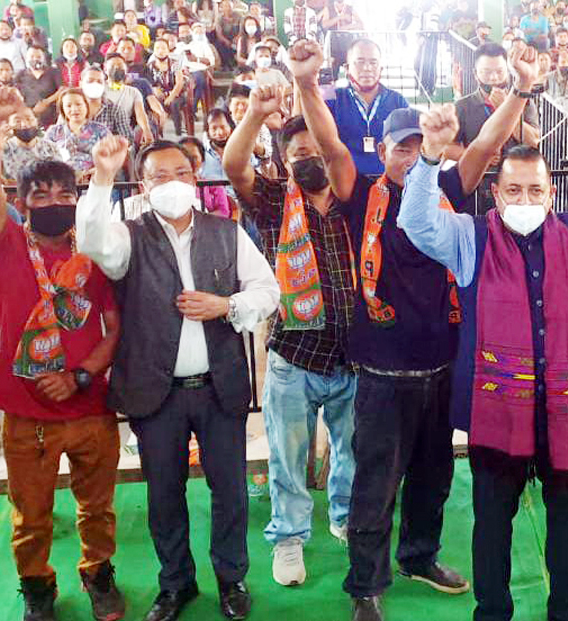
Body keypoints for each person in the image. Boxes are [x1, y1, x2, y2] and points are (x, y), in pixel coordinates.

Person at [288, 38, 540, 621]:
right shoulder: (358, 194)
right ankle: (366, 587)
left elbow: (489, 142)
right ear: (382, 150)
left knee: (433, 475)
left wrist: (522, 89)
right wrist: (305, 83)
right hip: (382, 372)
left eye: (420, 146)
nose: (410, 156)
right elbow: (327, 143)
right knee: (375, 483)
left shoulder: (449, 190)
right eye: (401, 147)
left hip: (442, 365)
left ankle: (419, 556)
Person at [396, 111, 568, 621]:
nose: (526, 200)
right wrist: (430, 156)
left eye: (535, 190)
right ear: (497, 196)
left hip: (567, 408)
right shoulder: (468, 238)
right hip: (496, 411)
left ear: (551, 195)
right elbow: (415, 222)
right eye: (514, 191)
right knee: (492, 523)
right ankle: (493, 611)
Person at [77, 134, 279, 621]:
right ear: (144, 185)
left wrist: (226, 305)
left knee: (229, 491)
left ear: (195, 177)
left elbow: (268, 290)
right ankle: (176, 585)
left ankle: (231, 579)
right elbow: (89, 241)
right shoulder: (128, 234)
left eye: (180, 173)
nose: (171, 183)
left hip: (219, 388)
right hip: (157, 393)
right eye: (158, 177)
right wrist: (103, 175)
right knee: (164, 494)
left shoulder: (226, 231)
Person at [0, 85, 126, 621]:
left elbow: (114, 327)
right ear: (22, 204)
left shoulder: (93, 252)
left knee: (97, 509)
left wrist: (83, 376)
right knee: (31, 516)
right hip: (26, 413)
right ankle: (37, 587)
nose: (56, 203)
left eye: (66, 193)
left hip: (90, 408)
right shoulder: (5, 242)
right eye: (41, 195)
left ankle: (98, 574)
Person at [224, 79, 362, 585]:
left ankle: (344, 517)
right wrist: (257, 116)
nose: (310, 159)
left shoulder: (355, 200)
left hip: (353, 354)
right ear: (285, 163)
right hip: (294, 356)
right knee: (287, 456)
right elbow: (235, 167)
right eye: (298, 152)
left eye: (316, 150)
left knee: (352, 450)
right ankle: (289, 537)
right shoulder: (275, 202)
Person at [321, 38, 409, 176]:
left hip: (388, 183)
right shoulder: (332, 100)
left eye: (373, 62)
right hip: (345, 184)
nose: (367, 68)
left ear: (381, 68)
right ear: (347, 68)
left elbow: (409, 146)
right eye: (360, 62)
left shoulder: (398, 101)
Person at [446, 43, 539, 165]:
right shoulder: (462, 106)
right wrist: (477, 156)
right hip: (479, 179)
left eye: (500, 72)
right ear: (475, 74)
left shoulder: (523, 100)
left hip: (515, 175)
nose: (494, 78)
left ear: (508, 71)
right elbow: (447, 148)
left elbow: (533, 141)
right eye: (486, 72)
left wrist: (506, 108)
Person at [47, 87, 111, 177]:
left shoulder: (101, 130)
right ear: (63, 109)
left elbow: (111, 159)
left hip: (94, 178)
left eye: (78, 104)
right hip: (60, 180)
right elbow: (45, 160)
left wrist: (88, 174)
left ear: (86, 105)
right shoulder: (53, 132)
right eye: (68, 106)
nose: (74, 109)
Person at [1, 106, 68, 182]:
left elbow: (60, 176)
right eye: (17, 121)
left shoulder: (50, 147)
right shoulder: (3, 149)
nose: (24, 125)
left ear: (36, 121)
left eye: (29, 119)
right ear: (9, 125)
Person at [16, 46, 64, 128]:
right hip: (28, 118)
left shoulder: (53, 72)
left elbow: (62, 89)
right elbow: (15, 94)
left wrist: (46, 102)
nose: (35, 59)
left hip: (51, 117)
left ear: (44, 58)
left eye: (38, 57)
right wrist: (30, 111)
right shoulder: (20, 74)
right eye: (32, 56)